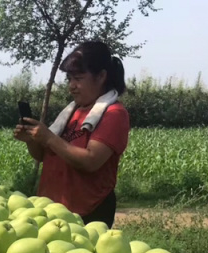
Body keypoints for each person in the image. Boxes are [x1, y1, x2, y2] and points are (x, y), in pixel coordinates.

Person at [14, 41, 130, 227]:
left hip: (88, 212)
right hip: (53, 209)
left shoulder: (114, 114)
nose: (72, 86)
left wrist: (49, 138)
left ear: (101, 76)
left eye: (79, 78)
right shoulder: (72, 112)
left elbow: (91, 161)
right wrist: (32, 140)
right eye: (69, 79)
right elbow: (44, 156)